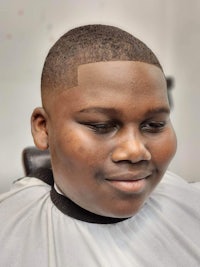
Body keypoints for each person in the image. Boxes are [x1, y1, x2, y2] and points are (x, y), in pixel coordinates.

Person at [0, 24, 200, 267]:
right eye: (101, 125)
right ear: (44, 128)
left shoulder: (190, 204)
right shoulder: (9, 232)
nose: (135, 151)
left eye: (155, 125)